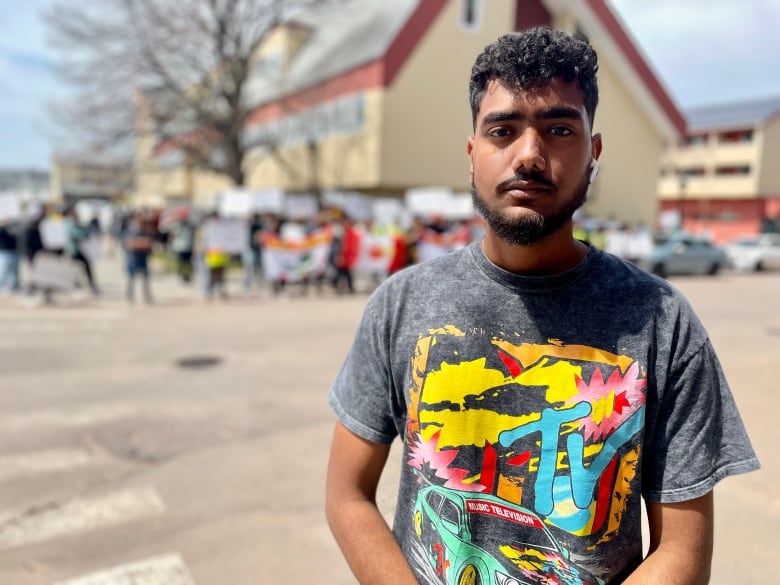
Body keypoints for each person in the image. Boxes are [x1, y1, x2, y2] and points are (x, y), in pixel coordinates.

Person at [325, 27, 759, 585]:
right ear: (472, 152)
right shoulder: (401, 304)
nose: (529, 155)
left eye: (558, 129)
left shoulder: (665, 322)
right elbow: (346, 495)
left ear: (593, 151)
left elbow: (683, 551)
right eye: (503, 130)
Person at [122, 211, 155, 304]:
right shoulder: (129, 231)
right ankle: (130, 296)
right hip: (132, 259)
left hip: (142, 259)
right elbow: (128, 244)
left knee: (145, 279)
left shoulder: (146, 232)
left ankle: (147, 296)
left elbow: (149, 244)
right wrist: (140, 243)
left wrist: (139, 243)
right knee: (131, 279)